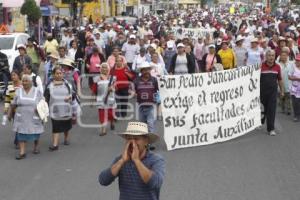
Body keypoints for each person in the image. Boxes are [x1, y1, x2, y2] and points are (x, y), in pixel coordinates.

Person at [99, 122, 165, 200]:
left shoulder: (156, 160)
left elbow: (155, 183)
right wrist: (122, 161)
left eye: (136, 139)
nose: (132, 142)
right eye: (129, 138)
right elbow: (103, 180)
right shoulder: (121, 159)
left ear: (146, 141)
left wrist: (136, 161)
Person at [8, 74, 44, 160]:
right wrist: (9, 114)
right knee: (21, 134)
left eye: (26, 81)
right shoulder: (18, 91)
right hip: (21, 116)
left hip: (34, 115)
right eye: (23, 81)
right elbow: (13, 104)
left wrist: (42, 113)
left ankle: (36, 147)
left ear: (31, 82)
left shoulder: (37, 91)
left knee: (36, 132)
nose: (24, 83)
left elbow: (43, 102)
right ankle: (22, 152)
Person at [44, 67, 74, 151]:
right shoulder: (50, 85)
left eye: (60, 73)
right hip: (55, 110)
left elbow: (73, 94)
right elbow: (46, 97)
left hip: (66, 108)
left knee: (66, 125)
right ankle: (55, 144)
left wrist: (70, 97)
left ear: (63, 74)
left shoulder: (67, 84)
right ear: (53, 75)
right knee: (55, 126)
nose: (59, 75)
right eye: (57, 73)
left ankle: (66, 137)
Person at [260, 50, 284, 136]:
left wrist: (282, 91)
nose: (271, 57)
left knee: (271, 110)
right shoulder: (260, 66)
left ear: (275, 57)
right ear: (266, 56)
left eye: (273, 55)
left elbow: (280, 79)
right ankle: (260, 121)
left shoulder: (277, 67)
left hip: (273, 93)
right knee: (262, 110)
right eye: (269, 55)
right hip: (262, 92)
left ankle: (271, 129)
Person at [133, 62, 159, 134]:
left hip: (152, 106)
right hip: (140, 106)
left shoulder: (154, 80)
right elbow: (131, 89)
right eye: (144, 70)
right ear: (141, 71)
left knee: (151, 124)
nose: (147, 71)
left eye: (148, 69)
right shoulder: (136, 80)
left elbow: (161, 89)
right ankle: (144, 142)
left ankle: (150, 144)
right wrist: (132, 93)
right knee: (142, 125)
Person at [91, 63, 116, 136]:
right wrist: (92, 101)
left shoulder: (112, 78)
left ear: (108, 69)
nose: (104, 69)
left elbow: (115, 88)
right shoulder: (97, 79)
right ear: (100, 69)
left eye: (106, 68)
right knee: (102, 116)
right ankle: (103, 130)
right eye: (103, 67)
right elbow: (94, 90)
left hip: (110, 100)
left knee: (111, 115)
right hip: (101, 100)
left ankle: (112, 121)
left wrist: (112, 88)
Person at [3, 70, 22, 148]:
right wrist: (6, 108)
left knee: (21, 124)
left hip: (22, 109)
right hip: (13, 109)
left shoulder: (23, 85)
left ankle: (18, 140)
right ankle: (18, 139)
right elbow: (7, 98)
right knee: (16, 124)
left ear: (18, 76)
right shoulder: (10, 86)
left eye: (14, 75)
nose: (13, 77)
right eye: (12, 75)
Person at [277, 47, 294, 115]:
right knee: (282, 96)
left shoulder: (291, 64)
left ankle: (289, 109)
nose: (284, 57)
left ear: (287, 56)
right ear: (280, 57)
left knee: (288, 96)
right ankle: (282, 108)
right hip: (280, 83)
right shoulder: (277, 64)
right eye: (282, 56)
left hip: (288, 83)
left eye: (285, 56)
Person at [289, 54, 300, 121]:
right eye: (296, 60)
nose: (297, 62)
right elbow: (289, 77)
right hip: (295, 89)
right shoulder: (293, 68)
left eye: (298, 61)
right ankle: (296, 115)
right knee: (295, 103)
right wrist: (296, 78)